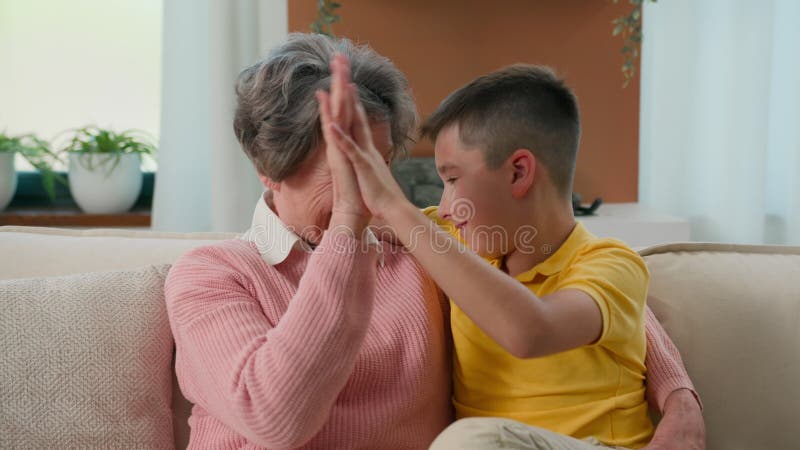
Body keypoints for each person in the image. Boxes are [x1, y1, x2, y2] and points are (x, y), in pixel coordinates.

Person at [165, 32, 702, 449]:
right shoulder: (212, 275)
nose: (371, 187)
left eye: (378, 164)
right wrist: (350, 223)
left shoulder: (416, 247)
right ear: (269, 170)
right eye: (346, 165)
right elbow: (276, 417)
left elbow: (590, 289)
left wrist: (679, 396)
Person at [327, 59, 704, 449]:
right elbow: (329, 221)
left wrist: (394, 203)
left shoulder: (609, 264)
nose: (442, 207)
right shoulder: (452, 238)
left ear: (518, 172)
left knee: (466, 442)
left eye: (453, 179)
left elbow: (530, 331)